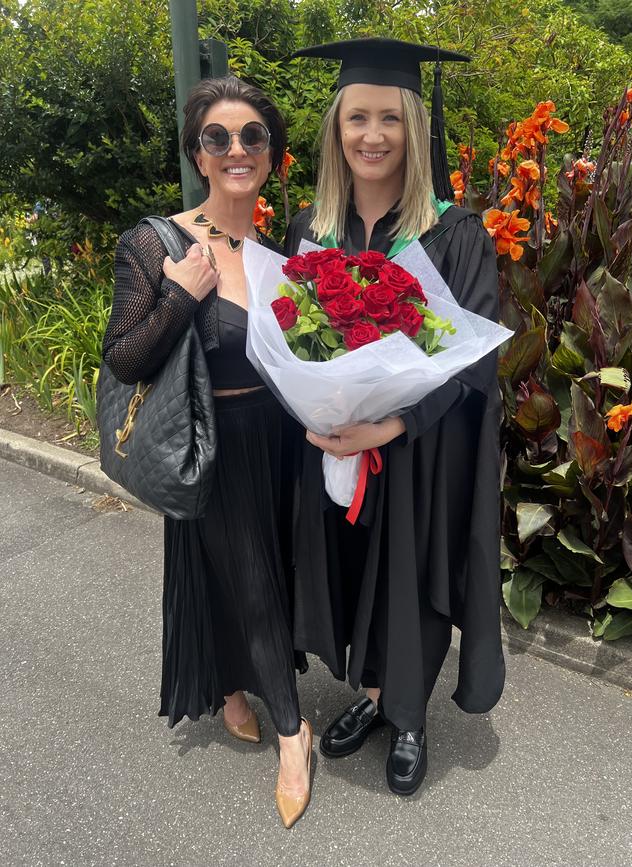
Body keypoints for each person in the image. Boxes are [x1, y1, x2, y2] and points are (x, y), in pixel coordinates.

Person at [284, 38, 505, 797]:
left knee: (409, 578)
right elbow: (291, 334)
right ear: (336, 130)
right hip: (339, 445)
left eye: (389, 118)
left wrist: (395, 424)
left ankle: (408, 716)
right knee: (353, 573)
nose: (371, 135)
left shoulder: (454, 233)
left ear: (414, 125)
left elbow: (473, 358)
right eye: (356, 118)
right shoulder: (313, 230)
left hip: (421, 449)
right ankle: (374, 699)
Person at [102, 76, 312, 829]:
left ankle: (233, 683)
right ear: (197, 152)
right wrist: (184, 296)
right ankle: (294, 731)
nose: (235, 150)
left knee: (264, 571)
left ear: (272, 155)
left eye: (252, 136)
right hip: (209, 444)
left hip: (280, 442)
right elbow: (124, 357)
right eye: (218, 137)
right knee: (247, 578)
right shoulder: (157, 241)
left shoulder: (281, 250)